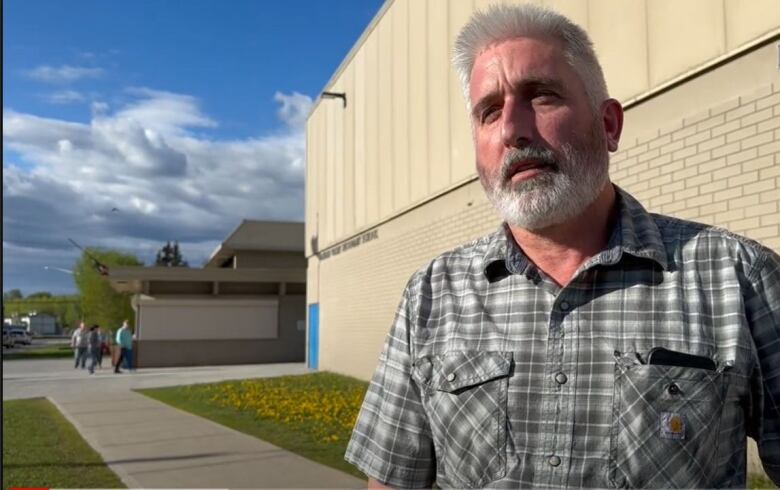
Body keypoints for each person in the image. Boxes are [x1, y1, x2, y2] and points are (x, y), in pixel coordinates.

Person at [345, 4, 780, 489]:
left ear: (609, 125)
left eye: (541, 96)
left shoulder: (738, 277)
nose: (512, 129)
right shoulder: (431, 294)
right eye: (489, 111)